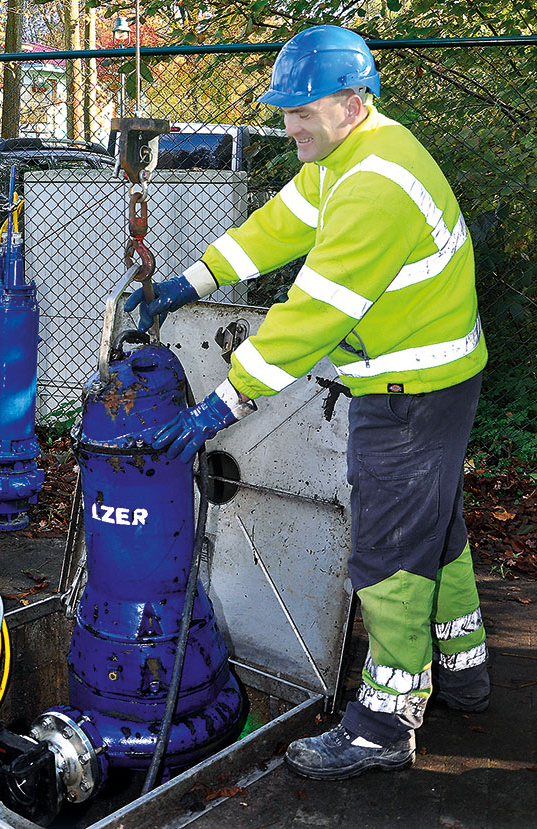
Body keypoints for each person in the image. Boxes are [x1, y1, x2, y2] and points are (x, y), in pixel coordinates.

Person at [125, 24, 489, 780]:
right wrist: (183, 285)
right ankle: (465, 668)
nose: (288, 124)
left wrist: (217, 408)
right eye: (285, 109)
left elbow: (308, 316)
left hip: (410, 391)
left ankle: (385, 722)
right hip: (435, 375)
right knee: (434, 524)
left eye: (303, 111)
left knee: (387, 550)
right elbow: (276, 228)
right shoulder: (348, 157)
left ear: (354, 103)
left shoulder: (375, 186)